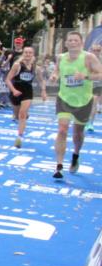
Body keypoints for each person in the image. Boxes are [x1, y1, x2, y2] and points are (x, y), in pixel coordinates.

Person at [49, 31, 102, 179]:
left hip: (83, 101)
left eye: (76, 40)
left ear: (81, 43)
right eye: (70, 40)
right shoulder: (61, 58)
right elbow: (57, 71)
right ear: (66, 44)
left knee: (78, 134)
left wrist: (84, 76)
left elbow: (100, 74)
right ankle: (59, 166)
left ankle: (76, 155)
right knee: (62, 129)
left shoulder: (89, 57)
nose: (73, 43)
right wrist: (54, 76)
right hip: (64, 99)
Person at [6, 45, 47, 148]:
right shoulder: (17, 65)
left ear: (33, 55)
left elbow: (42, 80)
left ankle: (19, 137)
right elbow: (7, 79)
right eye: (26, 52)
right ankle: (20, 117)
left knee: (22, 114)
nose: (28, 54)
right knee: (16, 115)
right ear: (23, 54)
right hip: (16, 91)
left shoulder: (36, 68)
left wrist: (43, 91)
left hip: (27, 92)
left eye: (30, 53)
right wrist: (14, 90)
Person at [88, 43, 102, 133]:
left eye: (98, 50)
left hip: (98, 85)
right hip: (87, 85)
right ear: (91, 50)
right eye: (94, 50)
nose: (96, 52)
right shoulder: (87, 60)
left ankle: (90, 124)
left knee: (94, 102)